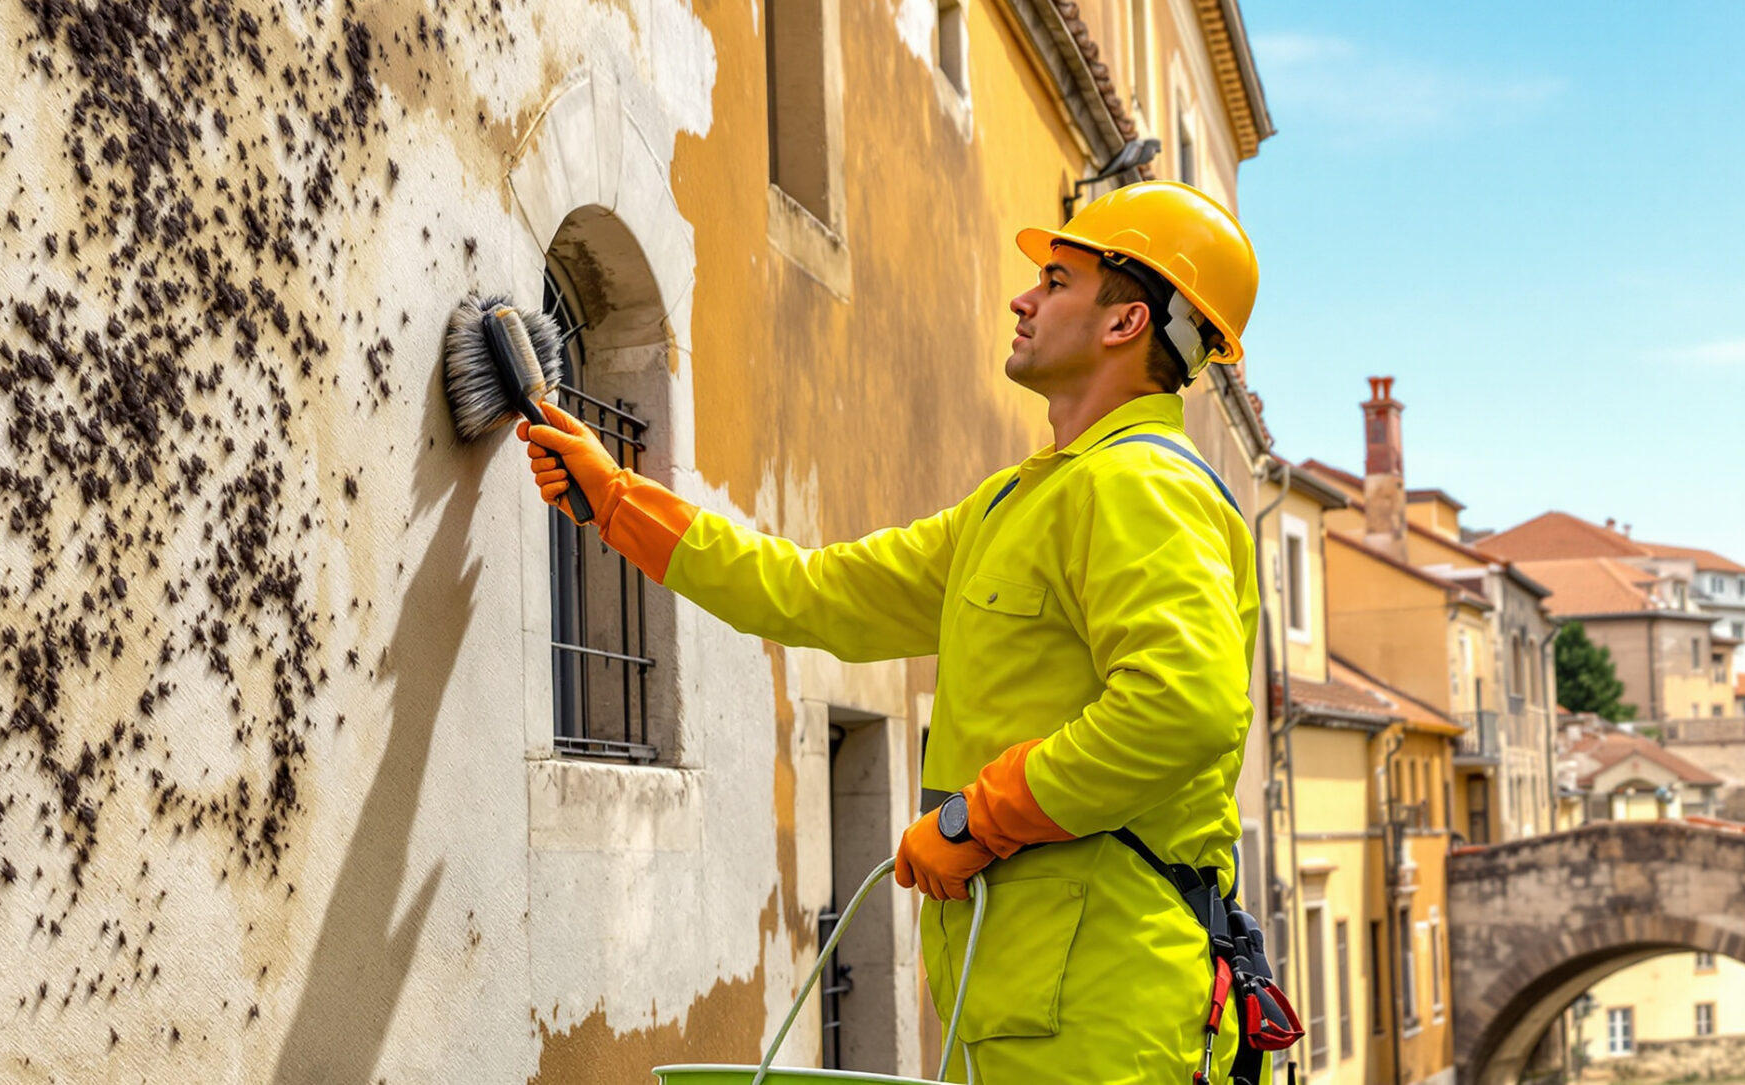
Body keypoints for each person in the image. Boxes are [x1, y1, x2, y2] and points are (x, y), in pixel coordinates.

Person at [519, 181, 1266, 1081]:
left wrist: (978, 818)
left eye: (1058, 280)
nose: (1025, 298)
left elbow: (1182, 705)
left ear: (1125, 322)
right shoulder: (1018, 503)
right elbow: (810, 590)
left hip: (1111, 1007)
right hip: (1024, 1000)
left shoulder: (1143, 486)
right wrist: (617, 501)